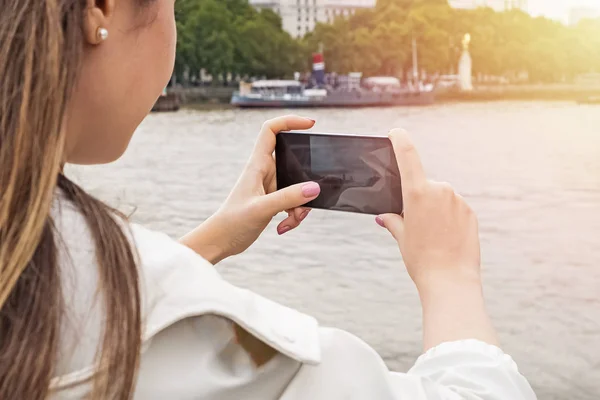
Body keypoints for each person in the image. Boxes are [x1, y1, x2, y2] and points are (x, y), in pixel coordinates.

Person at [0, 0, 537, 399]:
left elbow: (72, 300)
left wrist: (209, 242)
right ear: (101, 10)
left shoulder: (32, 250)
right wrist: (450, 277)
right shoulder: (214, 345)